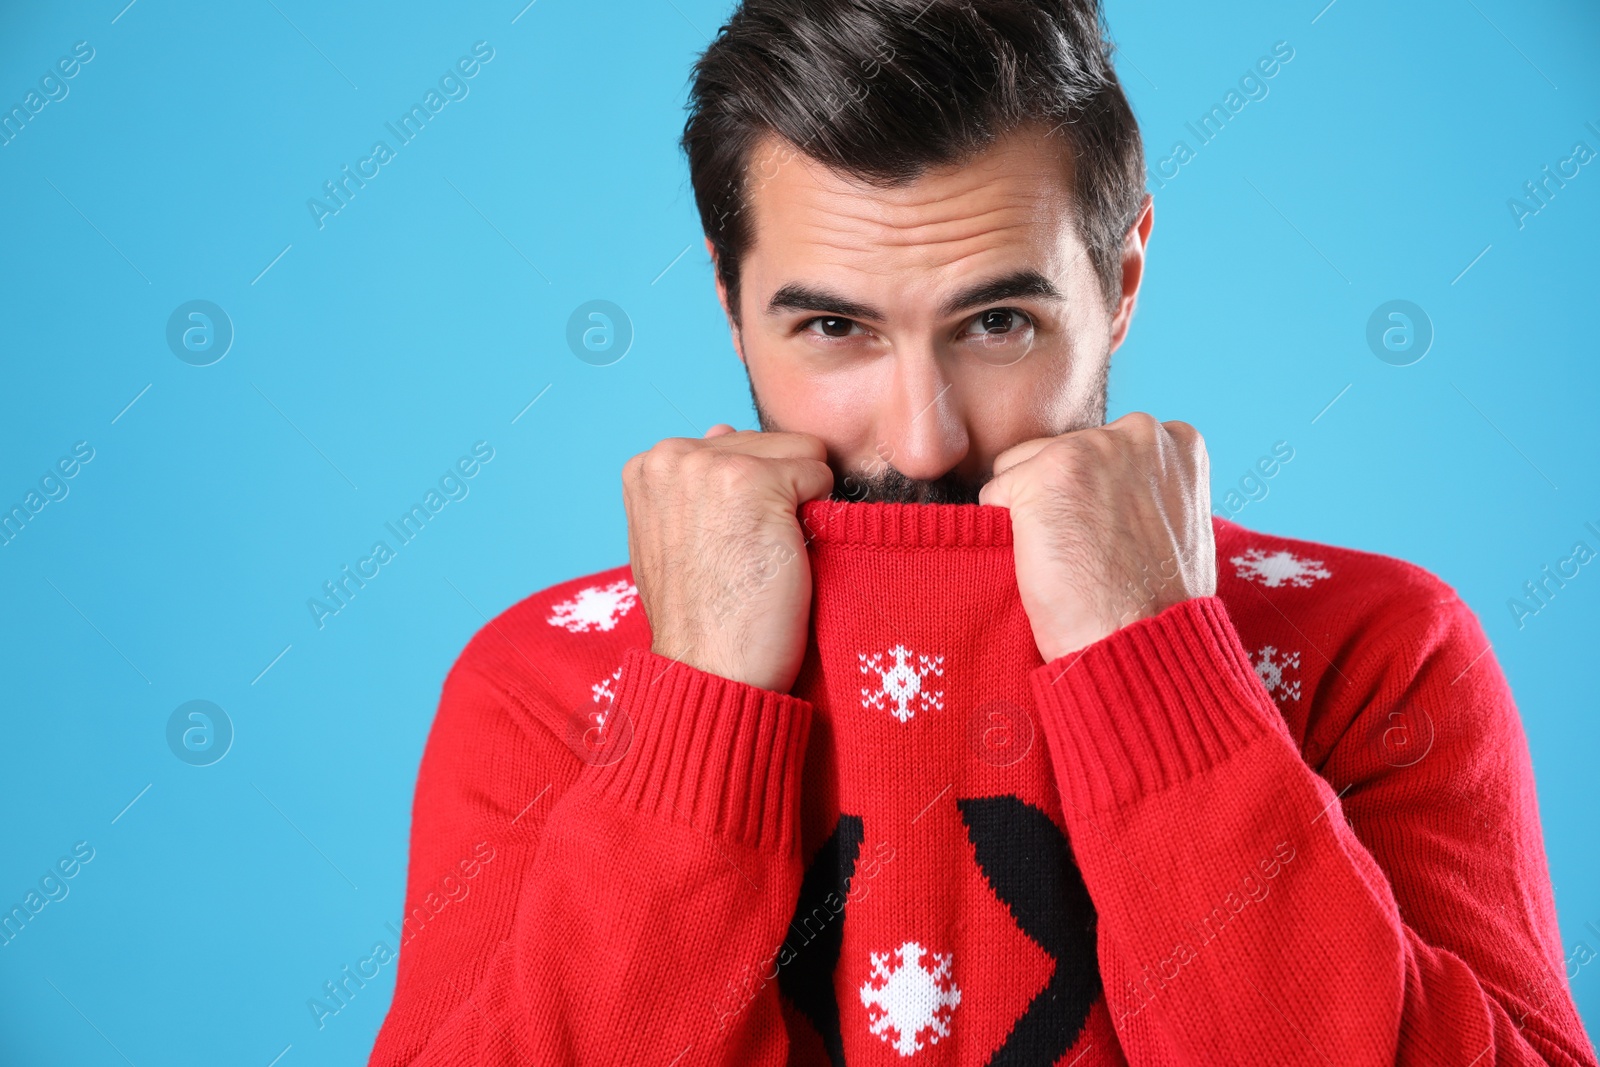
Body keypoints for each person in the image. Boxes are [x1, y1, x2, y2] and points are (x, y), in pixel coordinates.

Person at [369, 0, 1597, 1063]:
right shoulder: (550, 681)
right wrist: (692, 702)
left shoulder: (1368, 647)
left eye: (997, 322)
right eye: (833, 331)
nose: (923, 439)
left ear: (1120, 281)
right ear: (728, 306)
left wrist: (1161, 663)